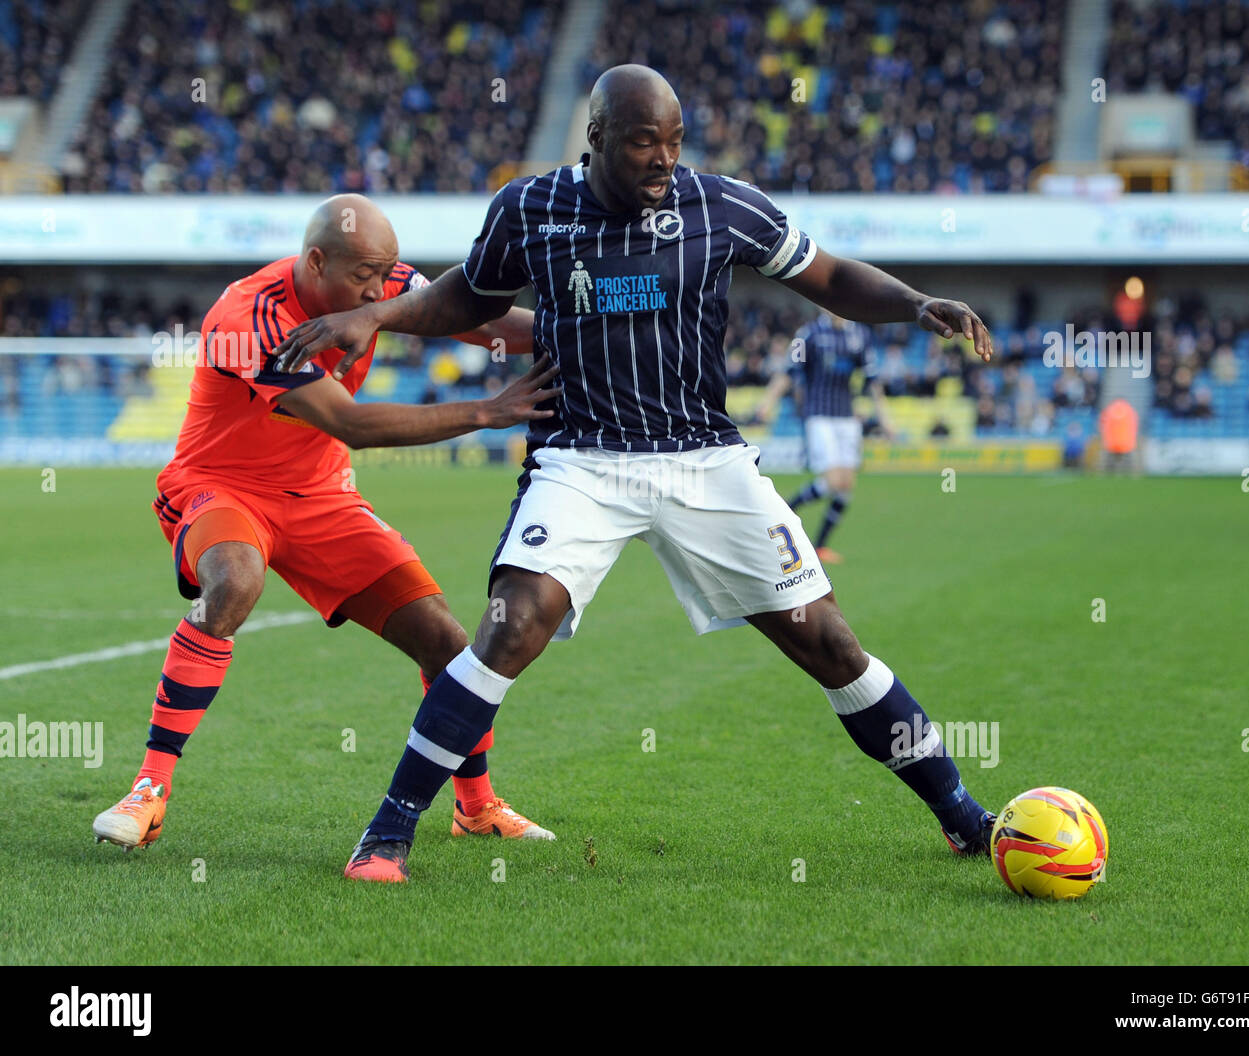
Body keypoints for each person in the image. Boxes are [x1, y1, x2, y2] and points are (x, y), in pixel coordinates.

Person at [275, 67, 999, 884]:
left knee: (831, 643)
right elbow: (466, 300)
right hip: (582, 456)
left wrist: (914, 302)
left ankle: (965, 815)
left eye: (674, 140)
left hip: (703, 456)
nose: (663, 158)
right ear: (597, 139)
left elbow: (826, 276)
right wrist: (376, 312)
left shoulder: (721, 205)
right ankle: (386, 836)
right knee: (510, 629)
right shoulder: (530, 209)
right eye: (643, 141)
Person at [92, 194, 560, 857]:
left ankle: (477, 807)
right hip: (223, 486)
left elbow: (476, 322)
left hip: (320, 496)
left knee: (448, 643)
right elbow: (350, 423)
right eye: (367, 275)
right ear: (317, 262)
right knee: (233, 584)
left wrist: (582, 325)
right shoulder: (246, 317)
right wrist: (487, 411)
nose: (381, 290)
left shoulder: (384, 281)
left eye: (389, 273)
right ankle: (149, 790)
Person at [755, 311, 890, 564]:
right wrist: (767, 402)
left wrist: (885, 418)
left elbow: (873, 381)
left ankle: (819, 545)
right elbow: (788, 371)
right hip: (819, 416)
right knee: (834, 480)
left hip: (847, 418)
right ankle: (784, 511)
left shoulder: (860, 335)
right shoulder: (809, 334)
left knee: (845, 486)